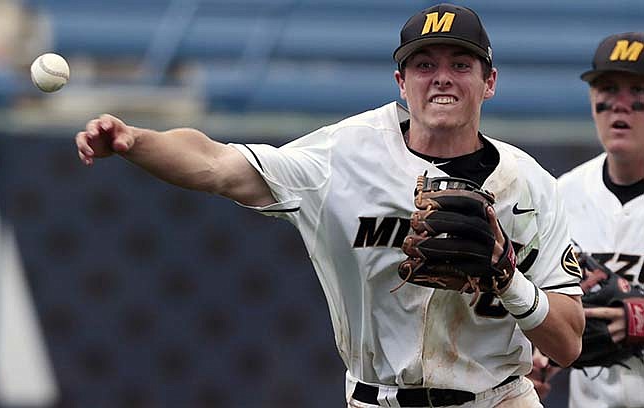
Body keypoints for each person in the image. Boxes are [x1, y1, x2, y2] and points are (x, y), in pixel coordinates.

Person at [75, 3, 584, 407]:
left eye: (461, 64)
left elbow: (568, 343)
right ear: (401, 84)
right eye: (424, 64)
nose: (442, 77)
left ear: (489, 81)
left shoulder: (529, 185)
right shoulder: (344, 154)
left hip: (497, 398)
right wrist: (135, 141)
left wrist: (507, 279)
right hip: (378, 399)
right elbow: (216, 164)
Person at [532, 32, 644, 408]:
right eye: (608, 88)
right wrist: (541, 360)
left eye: (638, 88)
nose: (619, 104)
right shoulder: (563, 194)